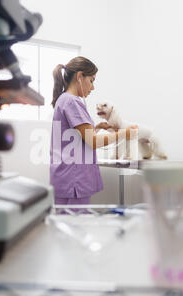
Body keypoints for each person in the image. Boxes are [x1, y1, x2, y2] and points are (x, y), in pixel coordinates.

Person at [50, 56, 137, 206]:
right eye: (91, 80)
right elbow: (93, 142)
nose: (93, 87)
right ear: (79, 76)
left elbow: (74, 137)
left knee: (68, 223)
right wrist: (125, 133)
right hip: (73, 180)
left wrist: (96, 127)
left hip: (66, 178)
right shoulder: (72, 101)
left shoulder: (63, 99)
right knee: (74, 225)